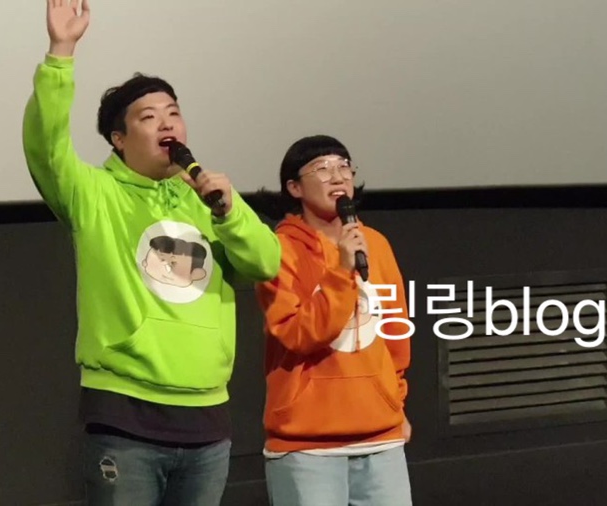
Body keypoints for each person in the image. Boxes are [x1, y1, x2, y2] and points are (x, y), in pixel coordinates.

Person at [21, 1, 282, 504]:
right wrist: (61, 53)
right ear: (119, 139)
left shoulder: (209, 197)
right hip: (125, 417)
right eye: (149, 117)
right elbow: (45, 147)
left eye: (174, 113)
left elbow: (265, 263)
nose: (168, 124)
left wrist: (231, 213)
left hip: (208, 418)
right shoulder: (94, 194)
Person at [255, 135, 413, 505]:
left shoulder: (374, 243)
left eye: (344, 166)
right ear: (294, 187)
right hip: (307, 445)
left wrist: (397, 404)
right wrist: (342, 272)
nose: (338, 176)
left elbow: (394, 331)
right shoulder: (280, 251)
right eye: (322, 169)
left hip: (382, 437)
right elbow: (298, 334)